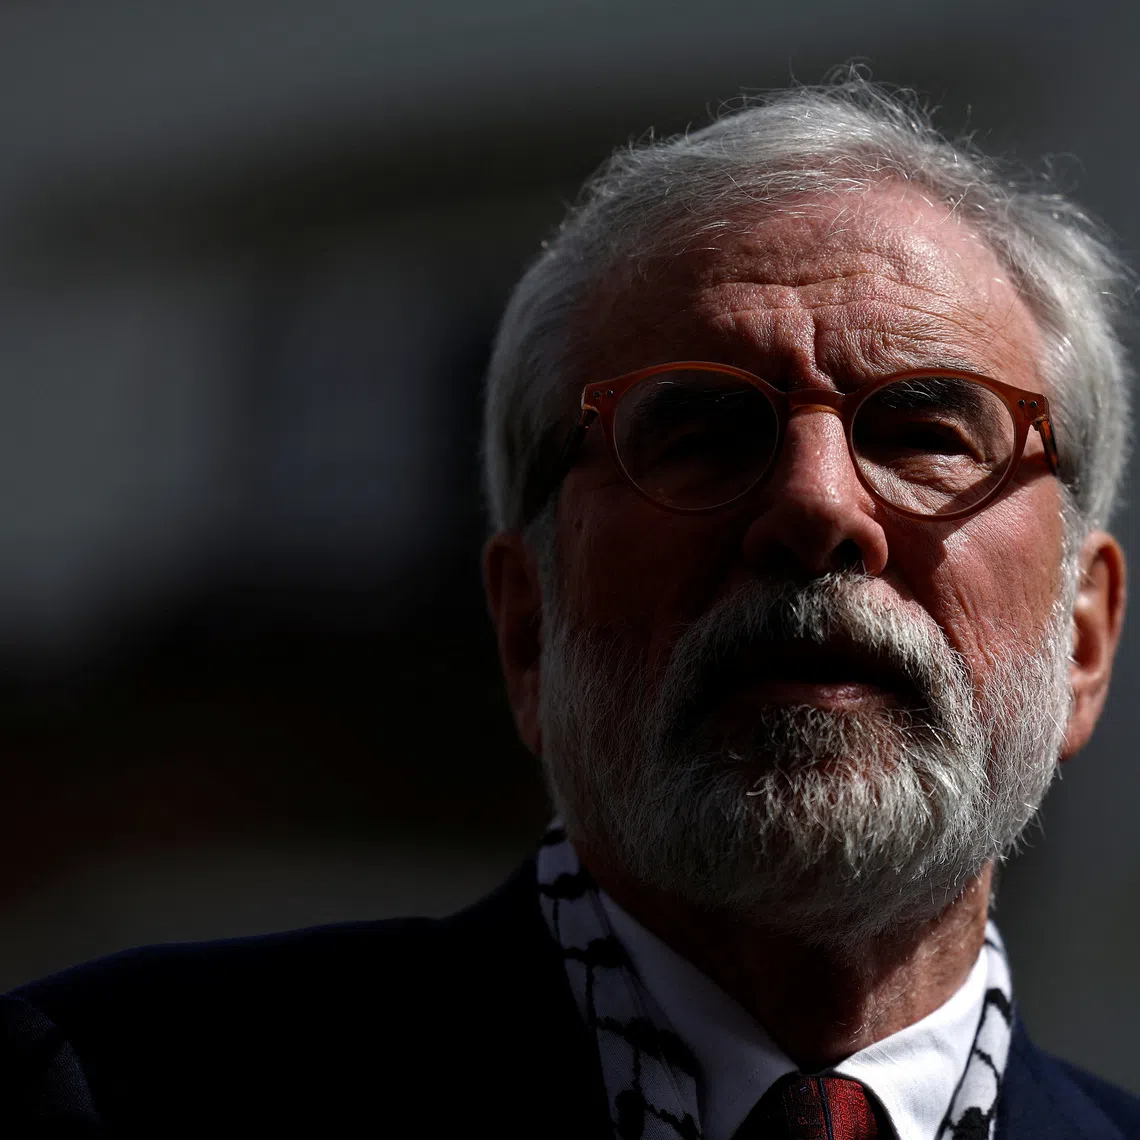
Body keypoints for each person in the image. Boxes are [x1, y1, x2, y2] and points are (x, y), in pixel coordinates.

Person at [12, 78, 1140, 1139]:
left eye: (924, 432)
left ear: (1084, 637)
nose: (815, 502)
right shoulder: (111, 1094)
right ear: (526, 627)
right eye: (697, 434)